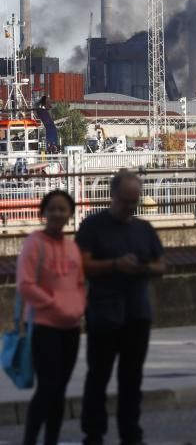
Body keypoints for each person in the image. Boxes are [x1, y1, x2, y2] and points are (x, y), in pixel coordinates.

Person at [76, 170, 166, 445]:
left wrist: (143, 268)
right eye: (126, 201)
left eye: (134, 202)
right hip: (103, 314)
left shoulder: (144, 229)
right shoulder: (92, 226)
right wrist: (115, 265)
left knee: (132, 379)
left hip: (137, 314)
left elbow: (162, 265)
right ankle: (94, 434)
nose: (130, 207)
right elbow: (81, 264)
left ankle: (131, 433)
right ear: (112, 196)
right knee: (98, 377)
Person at [17, 190, 86, 445]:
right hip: (44, 325)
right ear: (43, 212)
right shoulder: (34, 243)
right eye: (52, 209)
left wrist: (78, 307)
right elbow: (25, 285)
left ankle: (51, 440)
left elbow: (79, 282)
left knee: (59, 391)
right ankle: (30, 440)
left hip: (70, 326)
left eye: (63, 209)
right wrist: (55, 305)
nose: (57, 213)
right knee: (47, 388)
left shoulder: (71, 246)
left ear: (70, 214)